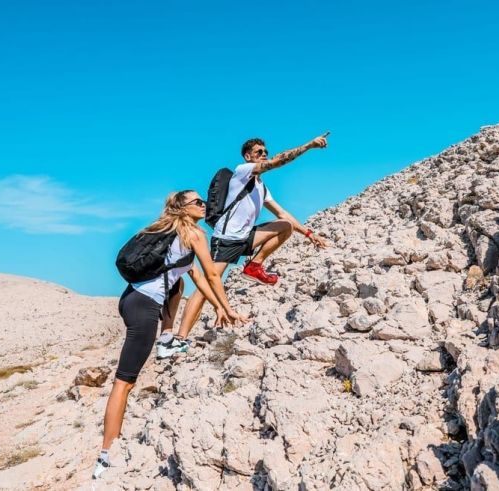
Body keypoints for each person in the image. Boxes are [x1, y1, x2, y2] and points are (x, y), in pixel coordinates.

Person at [93, 190, 243, 479]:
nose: (203, 205)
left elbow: (196, 277)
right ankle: (105, 456)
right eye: (197, 202)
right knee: (124, 383)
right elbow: (212, 274)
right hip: (145, 308)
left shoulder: (168, 231)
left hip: (130, 299)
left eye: (202, 201)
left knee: (178, 283)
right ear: (183, 208)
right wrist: (229, 308)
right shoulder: (194, 234)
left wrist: (217, 307)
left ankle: (166, 339)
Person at [174, 133, 329, 340]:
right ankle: (181, 337)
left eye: (266, 151)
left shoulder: (261, 187)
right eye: (259, 152)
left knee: (285, 226)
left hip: (246, 237)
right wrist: (309, 145)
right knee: (206, 287)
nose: (264, 154)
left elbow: (282, 214)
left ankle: (254, 265)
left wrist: (309, 234)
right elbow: (277, 162)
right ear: (248, 156)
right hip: (226, 239)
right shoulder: (242, 172)